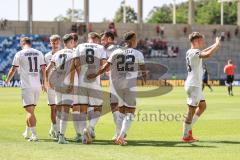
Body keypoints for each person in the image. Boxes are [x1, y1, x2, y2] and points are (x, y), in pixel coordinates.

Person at [87, 31, 146, 145]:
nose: (137, 41)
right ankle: (121, 135)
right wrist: (144, 79)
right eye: (136, 39)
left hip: (115, 85)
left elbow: (105, 67)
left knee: (120, 110)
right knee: (130, 111)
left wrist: (95, 74)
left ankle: (119, 133)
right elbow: (143, 69)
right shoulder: (138, 53)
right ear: (132, 40)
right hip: (129, 85)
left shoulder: (116, 52)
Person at [5, 37, 47, 141]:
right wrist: (45, 82)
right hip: (37, 85)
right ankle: (27, 132)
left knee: (30, 112)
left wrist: (7, 80)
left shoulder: (19, 53)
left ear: (22, 43)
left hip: (27, 86)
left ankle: (34, 135)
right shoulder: (39, 52)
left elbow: (13, 69)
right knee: (30, 110)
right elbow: (43, 69)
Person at [183, 32, 221, 142]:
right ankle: (186, 135)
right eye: (200, 40)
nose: (202, 42)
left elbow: (203, 52)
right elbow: (207, 54)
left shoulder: (191, 51)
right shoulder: (194, 51)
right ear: (195, 41)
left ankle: (188, 129)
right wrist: (217, 46)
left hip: (196, 85)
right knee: (191, 111)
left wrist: (215, 44)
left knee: (203, 106)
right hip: (193, 85)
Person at [71, 32, 107, 144]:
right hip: (94, 81)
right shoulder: (100, 48)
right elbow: (104, 64)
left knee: (83, 109)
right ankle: (90, 127)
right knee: (98, 107)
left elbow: (75, 63)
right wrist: (97, 74)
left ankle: (83, 136)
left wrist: (81, 75)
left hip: (82, 81)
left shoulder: (80, 46)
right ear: (96, 39)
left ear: (88, 38)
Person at [46, 34, 75, 144]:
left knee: (58, 109)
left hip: (57, 84)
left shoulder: (57, 54)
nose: (74, 44)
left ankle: (58, 133)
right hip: (67, 84)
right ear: (70, 42)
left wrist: (49, 82)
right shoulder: (73, 53)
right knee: (65, 110)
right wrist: (72, 83)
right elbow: (72, 69)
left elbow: (49, 70)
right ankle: (62, 136)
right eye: (73, 42)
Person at [101, 31, 121, 140]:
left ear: (109, 39)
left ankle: (119, 133)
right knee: (120, 107)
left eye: (103, 39)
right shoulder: (121, 48)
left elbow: (106, 65)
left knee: (114, 106)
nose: (101, 42)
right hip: (125, 80)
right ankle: (120, 131)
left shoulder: (108, 50)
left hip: (115, 81)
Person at [44, 34, 61, 139]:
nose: (54, 44)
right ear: (50, 43)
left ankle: (55, 128)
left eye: (56, 42)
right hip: (51, 85)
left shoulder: (63, 54)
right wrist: (45, 83)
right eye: (52, 42)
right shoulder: (46, 56)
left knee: (59, 109)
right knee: (53, 108)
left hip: (61, 85)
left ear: (60, 43)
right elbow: (45, 71)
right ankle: (55, 130)